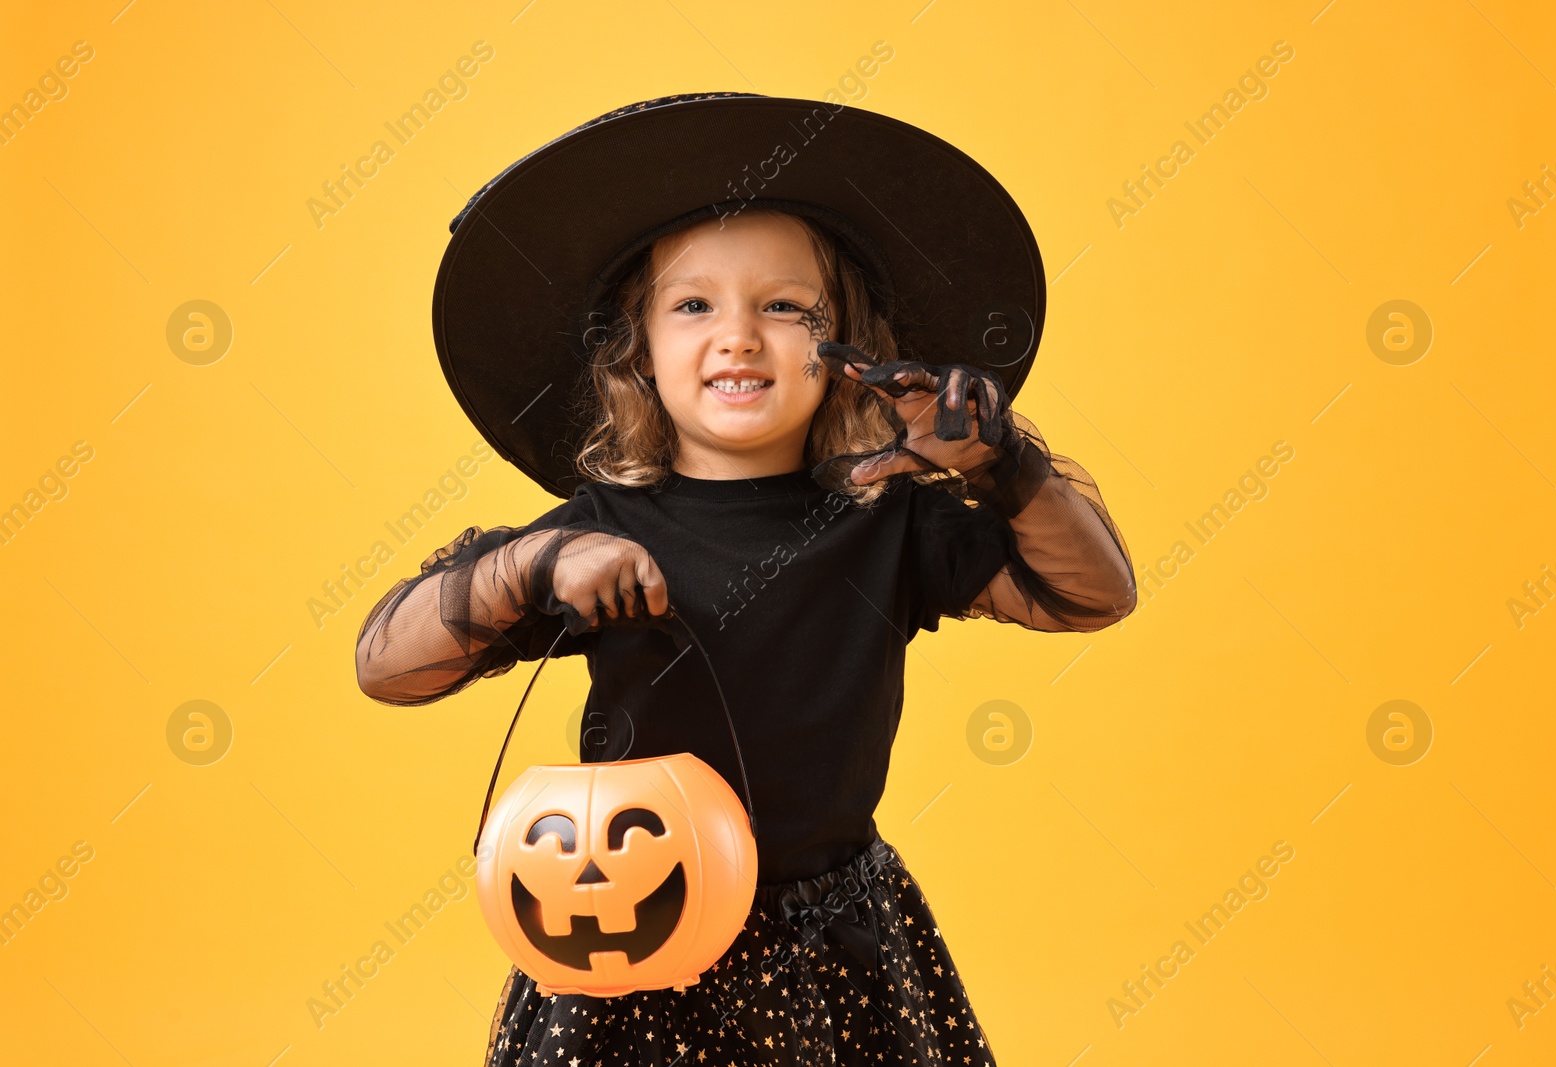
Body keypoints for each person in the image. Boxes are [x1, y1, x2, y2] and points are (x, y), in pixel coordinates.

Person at [353, 93, 1136, 1066]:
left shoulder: (882, 522)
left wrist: (999, 462)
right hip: (633, 916)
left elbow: (1090, 595)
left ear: (848, 353)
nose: (739, 336)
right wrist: (529, 563)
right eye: (693, 305)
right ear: (636, 350)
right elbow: (388, 665)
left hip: (831, 930)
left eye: (785, 306)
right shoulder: (601, 530)